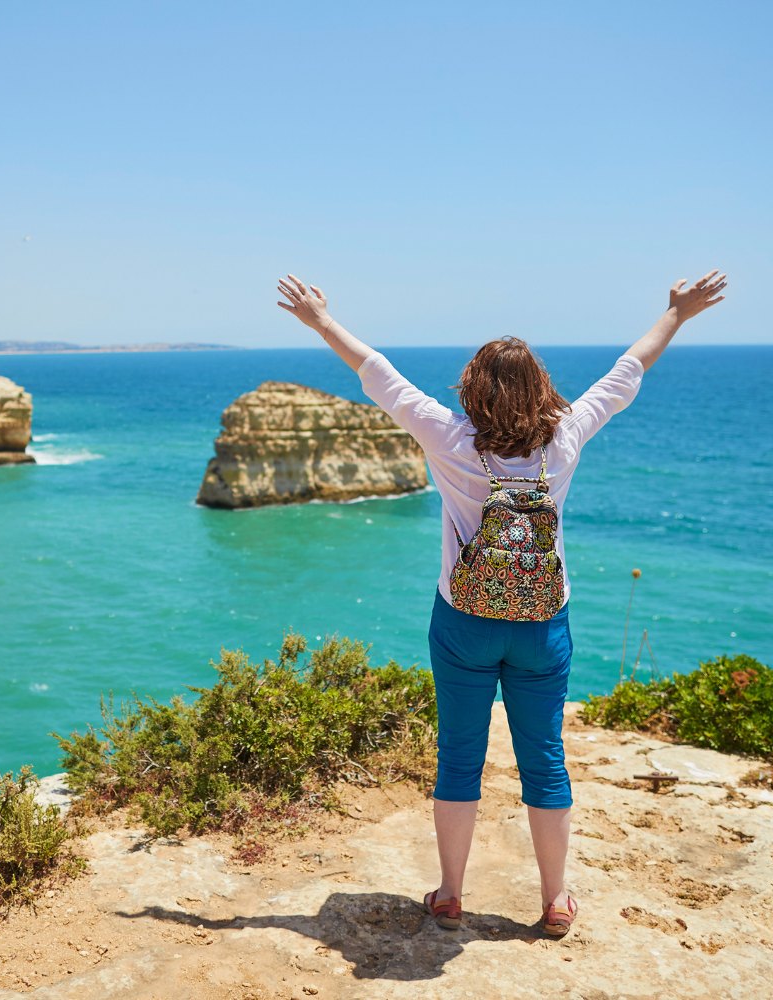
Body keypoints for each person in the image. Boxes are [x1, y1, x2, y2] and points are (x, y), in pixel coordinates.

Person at [275, 269, 728, 937]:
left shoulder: (446, 436)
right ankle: (556, 901)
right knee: (544, 758)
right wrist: (677, 314)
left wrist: (319, 321)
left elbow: (376, 373)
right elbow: (627, 373)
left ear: (473, 390)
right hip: (543, 625)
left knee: (460, 755)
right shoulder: (565, 436)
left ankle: (452, 894)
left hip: (464, 622)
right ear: (541, 388)